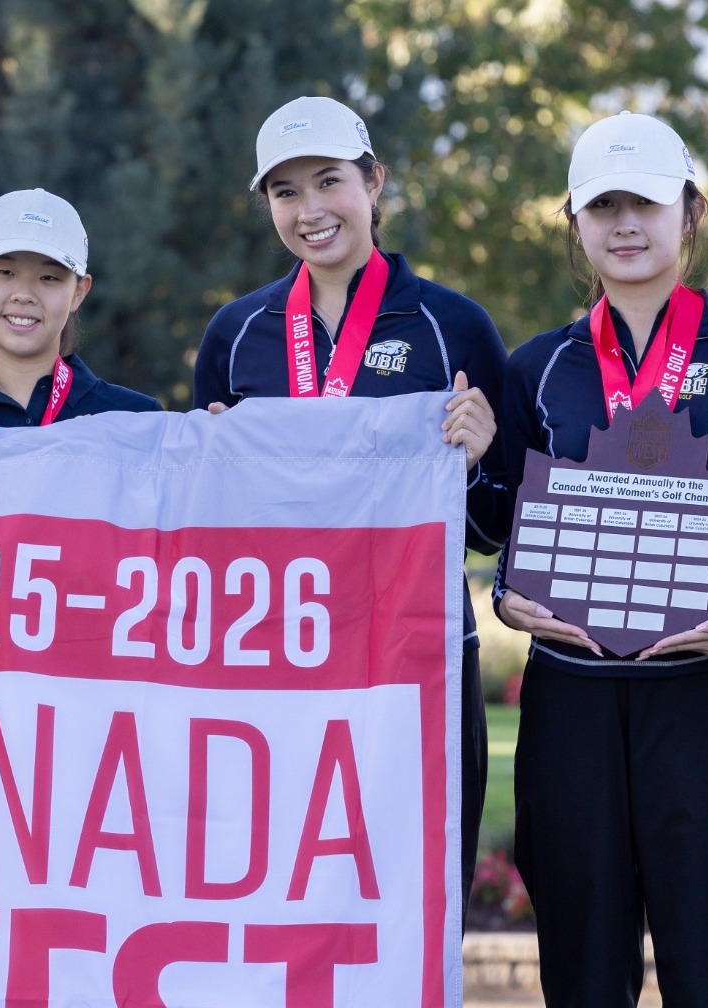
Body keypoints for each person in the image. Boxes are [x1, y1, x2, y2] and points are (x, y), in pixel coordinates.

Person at [492, 112, 708, 1008]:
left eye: (647, 204)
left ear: (692, 212)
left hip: (703, 700)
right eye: (604, 208)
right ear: (575, 224)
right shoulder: (535, 367)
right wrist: (505, 594)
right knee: (583, 997)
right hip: (571, 700)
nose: (626, 226)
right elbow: (496, 523)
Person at [191, 96, 505, 902]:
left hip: (418, 657)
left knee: (419, 898)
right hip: (276, 653)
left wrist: (477, 457)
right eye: (285, 193)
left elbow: (496, 528)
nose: (310, 210)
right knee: (270, 892)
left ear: (375, 183)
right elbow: (206, 530)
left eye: (328, 181)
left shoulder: (454, 327)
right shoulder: (237, 334)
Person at [0, 188, 160, 424]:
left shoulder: (137, 420)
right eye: (6, 272)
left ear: (79, 292)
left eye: (49, 278)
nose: (23, 295)